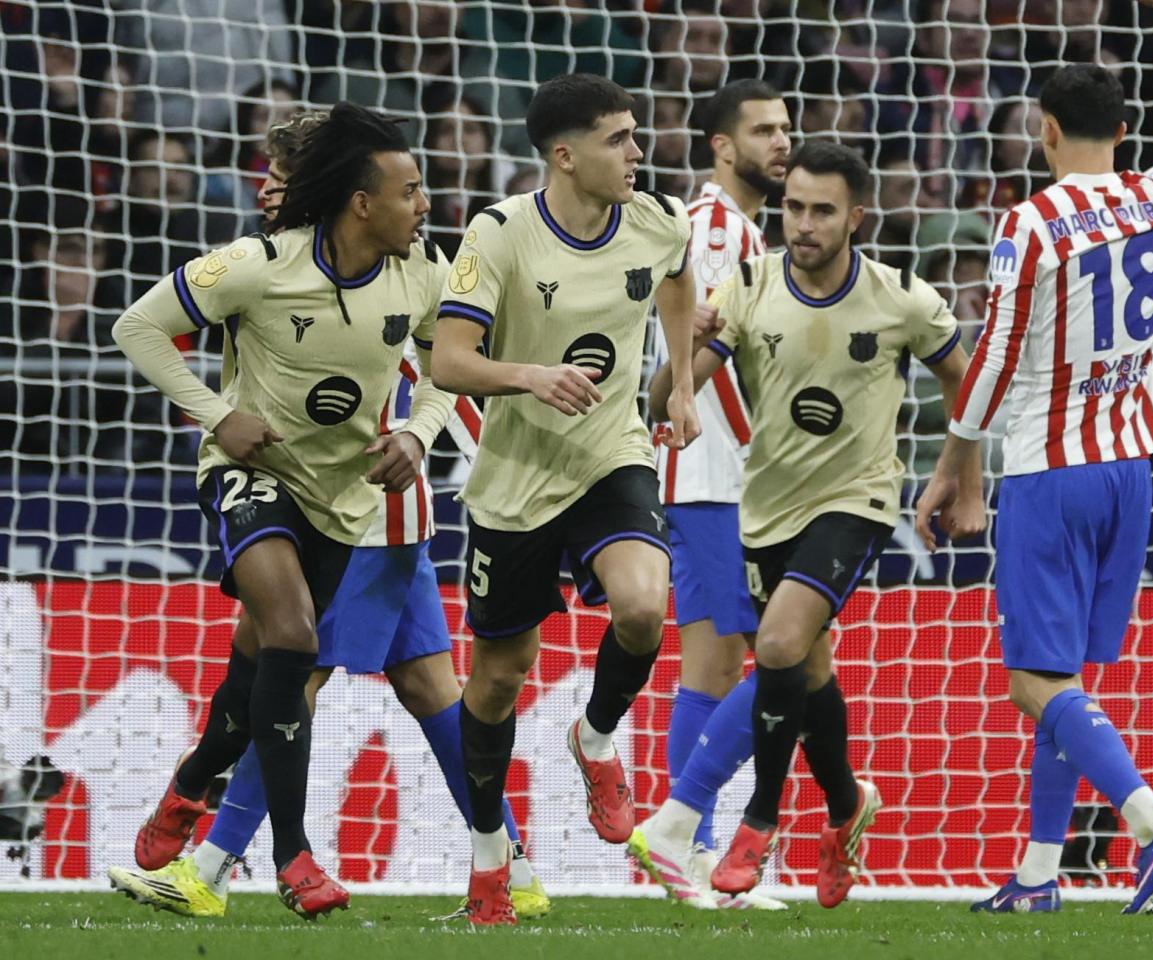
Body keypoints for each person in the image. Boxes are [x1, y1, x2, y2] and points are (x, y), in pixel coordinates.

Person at [104, 108, 547, 922]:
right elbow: (138, 325)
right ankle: (278, 856)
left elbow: (448, 364)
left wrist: (417, 433)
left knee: (294, 677)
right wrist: (217, 415)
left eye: (279, 177)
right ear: (359, 202)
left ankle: (197, 785)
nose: (426, 204)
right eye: (411, 190)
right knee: (297, 645)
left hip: (363, 502)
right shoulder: (257, 264)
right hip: (257, 474)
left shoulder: (419, 270)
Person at [916, 0, 1153, 916]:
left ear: (1044, 131)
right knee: (1064, 681)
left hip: (1050, 468)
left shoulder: (1032, 224)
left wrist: (953, 459)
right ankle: (1042, 877)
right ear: (1124, 133)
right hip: (1133, 467)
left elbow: (997, 357)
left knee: (1030, 680)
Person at [648, 140, 973, 909]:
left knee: (778, 645)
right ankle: (845, 806)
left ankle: (758, 823)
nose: (803, 224)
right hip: (765, 510)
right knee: (810, 672)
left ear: (856, 217)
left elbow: (968, 382)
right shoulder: (750, 285)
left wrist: (962, 477)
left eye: (822, 211)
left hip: (856, 502)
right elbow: (674, 390)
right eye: (793, 207)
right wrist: (680, 350)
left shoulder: (903, 298)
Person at [429, 73, 701, 926]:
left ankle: (595, 737)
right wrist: (528, 377)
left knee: (644, 607)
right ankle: (487, 864)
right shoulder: (499, 234)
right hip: (512, 483)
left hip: (609, 458)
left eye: (635, 134)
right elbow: (449, 360)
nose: (636, 151)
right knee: (499, 682)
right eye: (618, 139)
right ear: (564, 155)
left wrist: (683, 379)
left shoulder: (659, 220)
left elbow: (681, 281)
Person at [629, 79, 791, 911]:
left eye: (786, 129)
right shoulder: (715, 229)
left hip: (720, 476)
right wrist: (772, 449)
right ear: (721, 146)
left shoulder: (747, 229)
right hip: (715, 476)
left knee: (725, 665)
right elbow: (698, 361)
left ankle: (692, 852)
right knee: (734, 663)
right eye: (763, 130)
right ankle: (687, 849)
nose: (781, 143)